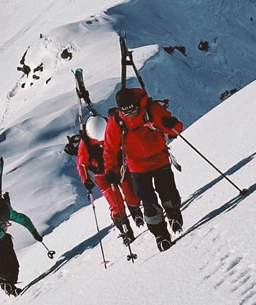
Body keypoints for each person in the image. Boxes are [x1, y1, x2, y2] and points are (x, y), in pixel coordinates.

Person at [103, 86, 184, 250]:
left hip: (160, 160)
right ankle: (160, 234)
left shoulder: (151, 109)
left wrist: (172, 124)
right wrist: (110, 170)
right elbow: (110, 148)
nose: (130, 114)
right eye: (126, 111)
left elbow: (176, 128)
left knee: (168, 193)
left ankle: (173, 215)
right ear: (120, 110)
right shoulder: (117, 122)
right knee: (148, 202)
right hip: (137, 167)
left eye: (132, 109)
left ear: (136, 103)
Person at [75, 114, 140, 245]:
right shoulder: (86, 143)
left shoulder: (112, 130)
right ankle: (124, 229)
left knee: (130, 193)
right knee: (115, 203)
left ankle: (136, 211)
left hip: (119, 168)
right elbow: (82, 163)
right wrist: (85, 179)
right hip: (102, 175)